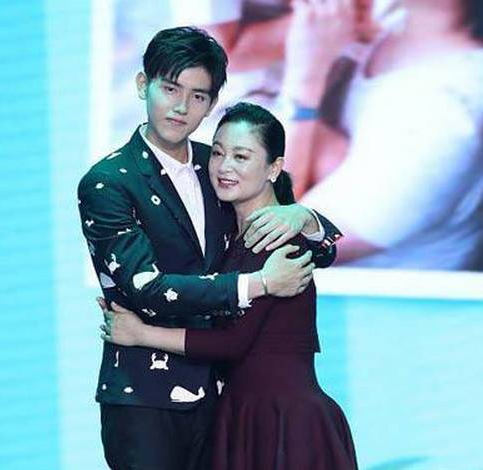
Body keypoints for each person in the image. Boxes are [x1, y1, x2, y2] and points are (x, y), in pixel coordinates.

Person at [77, 27, 342, 470]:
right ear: (143, 85)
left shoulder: (215, 168)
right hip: (146, 398)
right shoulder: (109, 183)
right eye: (170, 88)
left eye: (198, 95)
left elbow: (319, 253)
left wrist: (305, 216)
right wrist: (258, 284)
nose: (181, 106)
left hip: (221, 400)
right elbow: (147, 288)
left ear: (212, 103)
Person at [279, 0, 483, 269]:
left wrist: (305, 83)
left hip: (355, 290)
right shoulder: (393, 20)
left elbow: (285, 247)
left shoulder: (447, 114)